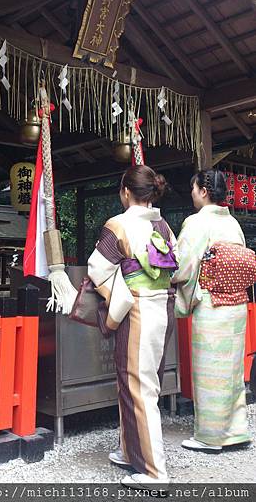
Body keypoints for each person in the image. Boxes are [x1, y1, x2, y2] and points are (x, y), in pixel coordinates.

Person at [88, 165, 178, 488]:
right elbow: (176, 267)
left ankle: (155, 472)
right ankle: (130, 451)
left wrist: (114, 295)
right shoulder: (162, 225)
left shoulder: (119, 225)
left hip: (136, 309)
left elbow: (97, 268)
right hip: (162, 308)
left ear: (126, 192)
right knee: (138, 382)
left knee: (138, 387)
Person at [172, 169, 252, 453]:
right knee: (231, 371)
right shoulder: (232, 224)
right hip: (237, 304)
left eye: (194, 188)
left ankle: (210, 436)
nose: (192, 193)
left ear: (203, 192)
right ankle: (235, 430)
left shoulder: (196, 223)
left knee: (210, 372)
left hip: (212, 303)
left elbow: (183, 266)